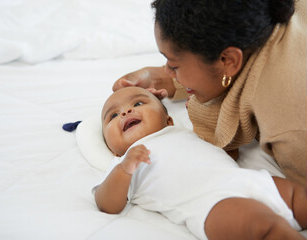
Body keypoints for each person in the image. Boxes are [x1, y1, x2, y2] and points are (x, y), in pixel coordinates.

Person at [112, 0, 307, 187]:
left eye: (173, 64)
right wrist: (156, 77)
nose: (169, 71)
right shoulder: (266, 16)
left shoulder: (290, 125)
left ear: (228, 60)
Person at [94, 86, 307, 240]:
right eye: (112, 116)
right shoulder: (123, 163)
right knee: (264, 226)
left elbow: (219, 133)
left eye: (138, 103)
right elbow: (107, 204)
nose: (125, 112)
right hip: (212, 205)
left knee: (300, 196)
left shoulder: (183, 131)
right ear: (112, 148)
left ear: (168, 120)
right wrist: (124, 169)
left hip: (247, 179)